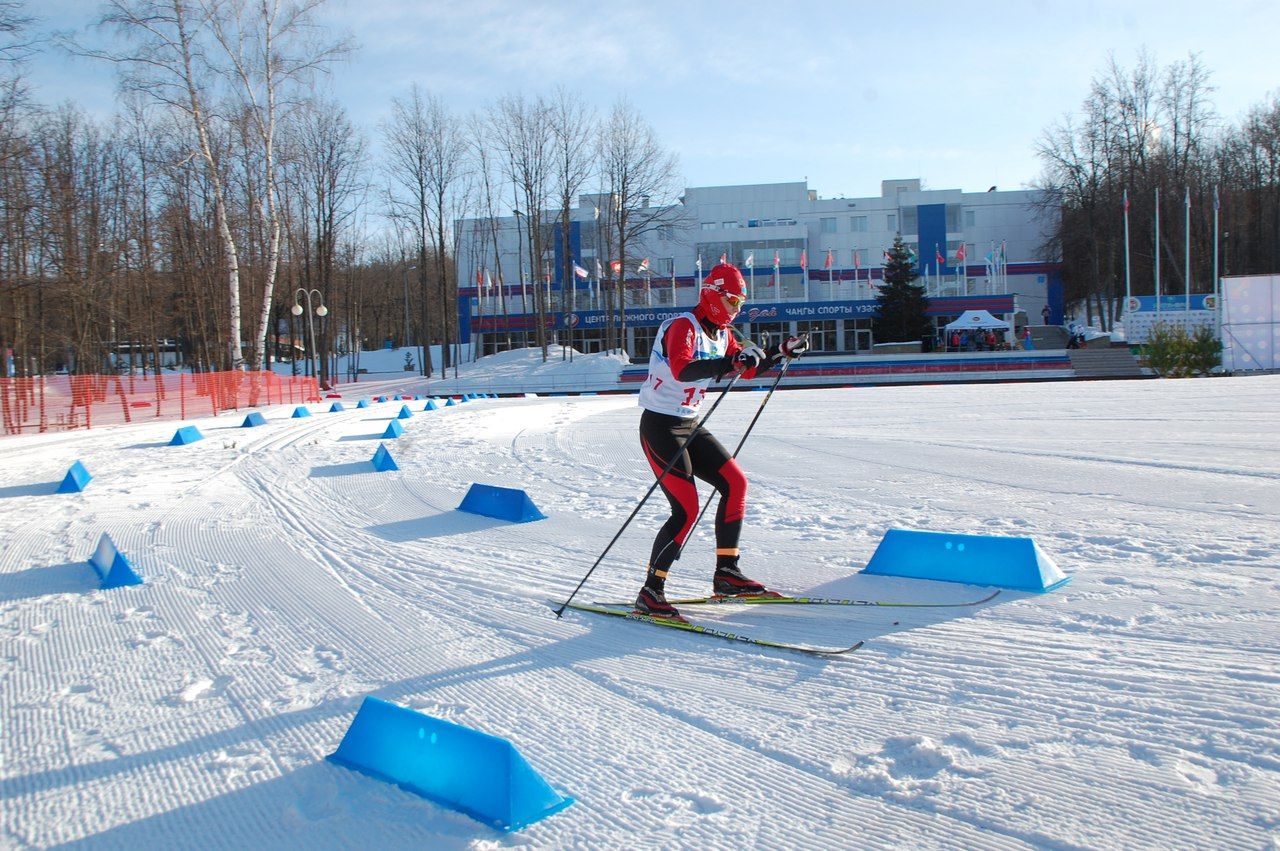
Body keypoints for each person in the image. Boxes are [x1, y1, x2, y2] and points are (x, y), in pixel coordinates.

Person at [634, 262, 809, 620]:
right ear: (712, 294)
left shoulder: (723, 333)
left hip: (689, 423)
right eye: (732, 300)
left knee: (735, 482)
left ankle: (727, 574)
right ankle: (651, 592)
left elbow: (747, 367)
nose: (736, 309)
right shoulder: (683, 326)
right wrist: (730, 362)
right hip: (660, 427)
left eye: (741, 302)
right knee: (685, 510)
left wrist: (780, 351)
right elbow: (683, 370)